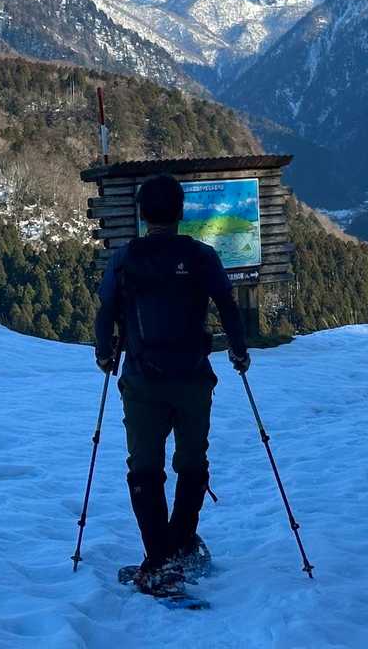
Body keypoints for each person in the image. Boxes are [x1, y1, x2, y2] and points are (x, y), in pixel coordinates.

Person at [94, 173, 250, 594]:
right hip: (193, 378)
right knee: (192, 462)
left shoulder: (124, 259)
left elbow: (106, 310)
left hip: (141, 379)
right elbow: (228, 306)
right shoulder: (202, 256)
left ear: (142, 213)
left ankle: (158, 558)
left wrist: (105, 355)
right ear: (181, 211)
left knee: (145, 467)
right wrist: (238, 352)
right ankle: (179, 544)